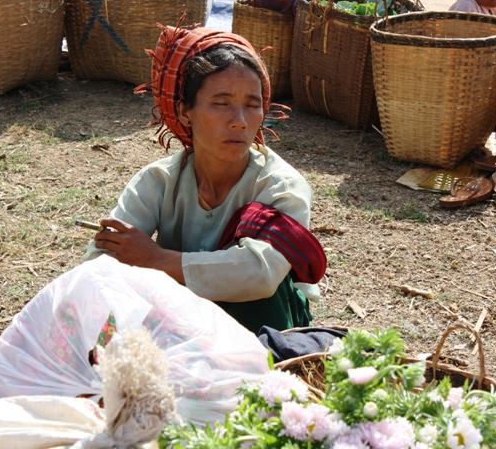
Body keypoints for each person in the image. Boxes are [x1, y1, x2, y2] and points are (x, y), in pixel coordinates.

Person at [84, 25, 327, 334]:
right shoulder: (158, 181)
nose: (239, 121)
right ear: (186, 112)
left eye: (252, 106)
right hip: (179, 311)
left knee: (257, 300)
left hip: (261, 320)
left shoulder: (279, 186)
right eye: (221, 103)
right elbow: (100, 259)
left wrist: (156, 259)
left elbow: (261, 274)